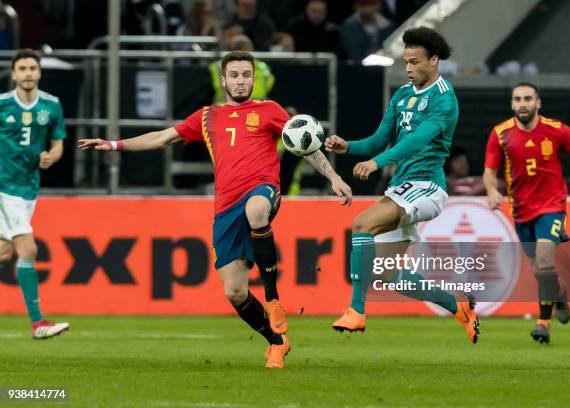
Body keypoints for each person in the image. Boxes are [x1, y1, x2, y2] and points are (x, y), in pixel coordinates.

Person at [79, 50, 352, 368]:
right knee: (235, 292)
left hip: (262, 190)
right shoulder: (207, 116)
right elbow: (163, 137)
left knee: (257, 211)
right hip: (225, 207)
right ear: (223, 80)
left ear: (254, 78)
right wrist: (114, 144)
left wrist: (333, 176)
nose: (240, 81)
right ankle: (276, 342)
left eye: (246, 75)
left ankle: (273, 299)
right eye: (234, 75)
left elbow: (304, 144)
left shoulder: (270, 110)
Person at [325, 27, 480, 344]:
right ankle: (459, 307)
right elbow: (379, 139)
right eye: (405, 62)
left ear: (433, 61)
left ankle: (356, 311)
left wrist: (378, 162)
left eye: (414, 62)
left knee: (361, 224)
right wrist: (348, 147)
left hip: (426, 188)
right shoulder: (402, 95)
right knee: (385, 273)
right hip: (401, 188)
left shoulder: (444, 101)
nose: (408, 69)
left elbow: (417, 140)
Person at [483, 82, 570, 344]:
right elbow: (489, 171)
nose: (523, 104)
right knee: (541, 270)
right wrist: (491, 192)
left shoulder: (557, 130)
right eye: (517, 99)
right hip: (521, 210)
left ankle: (543, 323)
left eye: (528, 98)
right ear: (512, 104)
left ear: (538, 103)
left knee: (544, 261)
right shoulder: (500, 133)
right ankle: (561, 294)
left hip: (552, 206)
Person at [0, 49, 69, 339]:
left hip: (29, 188)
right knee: (28, 250)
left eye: (32, 68)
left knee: (4, 254)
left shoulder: (52, 106)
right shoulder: (2, 105)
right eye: (22, 68)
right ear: (13, 74)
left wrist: (51, 158)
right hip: (6, 188)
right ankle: (38, 323)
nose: (28, 73)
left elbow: (57, 143)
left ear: (39, 73)